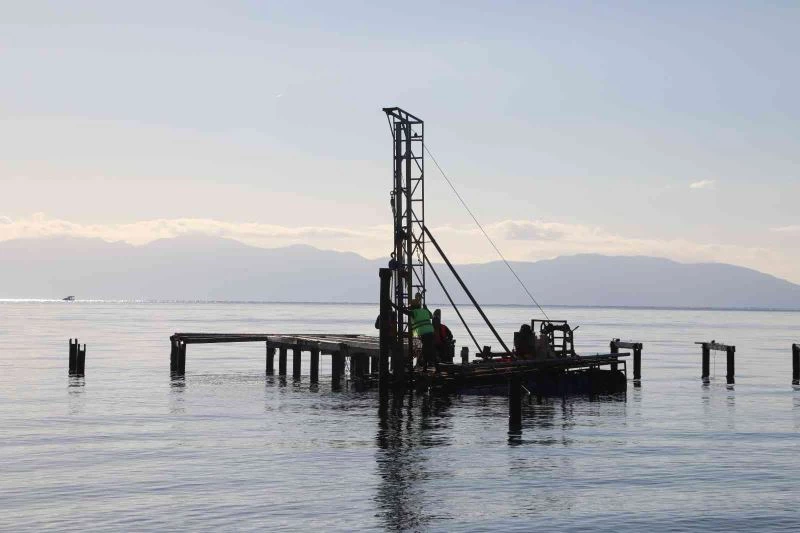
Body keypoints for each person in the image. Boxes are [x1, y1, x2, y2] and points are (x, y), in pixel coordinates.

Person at [391, 293, 435, 369]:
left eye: (411, 306)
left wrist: (392, 304)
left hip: (425, 333)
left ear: (413, 307)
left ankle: (426, 368)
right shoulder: (424, 311)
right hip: (431, 332)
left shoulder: (414, 312)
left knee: (426, 350)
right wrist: (426, 308)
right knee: (429, 349)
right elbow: (431, 316)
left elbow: (401, 310)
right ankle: (430, 367)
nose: (410, 308)